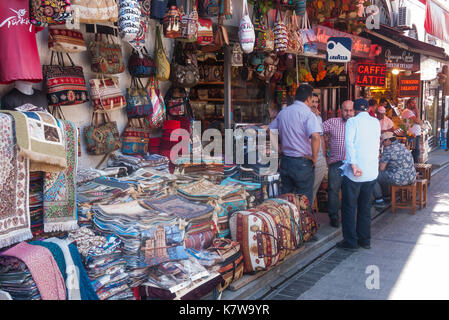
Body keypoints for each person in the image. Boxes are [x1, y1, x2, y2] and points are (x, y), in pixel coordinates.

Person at [337, 98, 381, 250]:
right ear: (368, 109)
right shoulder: (375, 122)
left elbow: (349, 144)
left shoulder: (352, 122)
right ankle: (365, 240)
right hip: (371, 172)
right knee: (365, 206)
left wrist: (354, 165)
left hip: (355, 173)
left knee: (349, 207)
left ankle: (351, 242)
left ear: (355, 110)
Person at [269, 84, 322, 203]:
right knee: (303, 201)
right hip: (302, 162)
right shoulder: (308, 114)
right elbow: (315, 136)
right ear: (308, 99)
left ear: (295, 97)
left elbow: (270, 130)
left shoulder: (284, 112)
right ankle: (302, 221)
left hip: (286, 161)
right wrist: (314, 157)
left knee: (286, 199)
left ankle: (288, 221)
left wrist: (278, 148)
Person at [322, 100, 354, 228]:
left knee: (350, 191)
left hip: (352, 163)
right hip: (336, 162)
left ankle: (348, 216)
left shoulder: (358, 124)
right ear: (340, 110)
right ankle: (334, 217)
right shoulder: (333, 122)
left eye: (351, 110)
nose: (348, 113)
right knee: (333, 190)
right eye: (346, 110)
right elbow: (315, 132)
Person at [373, 132, 416, 206]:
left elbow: (382, 168)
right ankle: (386, 197)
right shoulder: (402, 146)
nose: (382, 143)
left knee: (373, 177)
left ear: (388, 140)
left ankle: (379, 200)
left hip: (401, 179)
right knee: (385, 175)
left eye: (383, 141)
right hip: (411, 177)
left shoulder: (388, 149)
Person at [310, 94, 328, 208]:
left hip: (319, 156)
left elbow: (321, 137)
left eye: (316, 102)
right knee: (308, 187)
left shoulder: (319, 117)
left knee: (314, 186)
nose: (314, 104)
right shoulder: (305, 116)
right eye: (312, 101)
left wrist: (325, 154)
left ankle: (308, 208)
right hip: (309, 156)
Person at [401, 98, 422, 163]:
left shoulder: (412, 112)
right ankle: (415, 169)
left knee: (416, 152)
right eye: (413, 103)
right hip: (412, 135)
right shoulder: (407, 111)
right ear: (408, 104)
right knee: (415, 153)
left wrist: (417, 116)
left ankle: (415, 168)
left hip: (414, 135)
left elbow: (420, 123)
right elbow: (417, 121)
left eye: (415, 103)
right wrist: (417, 112)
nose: (415, 105)